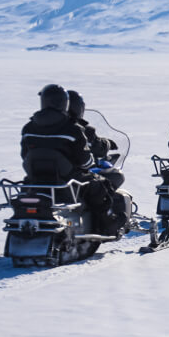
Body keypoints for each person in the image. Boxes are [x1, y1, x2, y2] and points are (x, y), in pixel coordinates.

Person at [21, 84, 120, 234]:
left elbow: (24, 155)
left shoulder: (29, 128)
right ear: (64, 103)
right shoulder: (72, 129)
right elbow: (85, 162)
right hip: (66, 181)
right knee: (101, 186)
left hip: (35, 180)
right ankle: (106, 223)